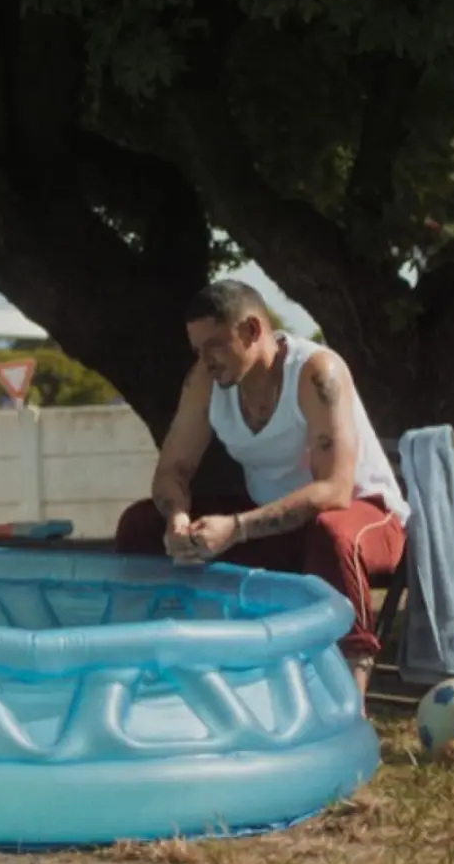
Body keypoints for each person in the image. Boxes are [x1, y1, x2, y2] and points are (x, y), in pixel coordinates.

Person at [114, 279, 408, 707]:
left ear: (253, 330)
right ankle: (149, 675)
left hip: (364, 516)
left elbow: (334, 490)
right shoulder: (204, 380)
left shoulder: (316, 372)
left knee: (331, 533)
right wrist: (177, 516)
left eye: (215, 345)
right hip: (270, 526)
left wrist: (236, 529)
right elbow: (172, 471)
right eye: (197, 349)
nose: (206, 360)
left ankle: (348, 704)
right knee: (141, 525)